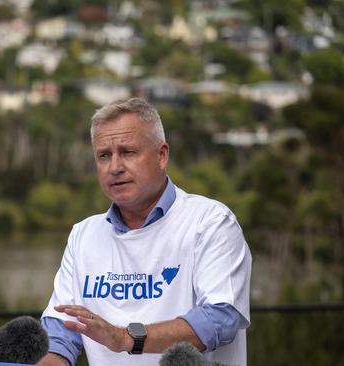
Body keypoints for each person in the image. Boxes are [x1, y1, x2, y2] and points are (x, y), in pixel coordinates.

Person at [38, 98, 252, 366]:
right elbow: (61, 334)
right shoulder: (83, 235)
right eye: (104, 155)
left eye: (128, 152)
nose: (115, 167)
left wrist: (125, 338)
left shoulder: (210, 222)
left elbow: (220, 319)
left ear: (162, 155)